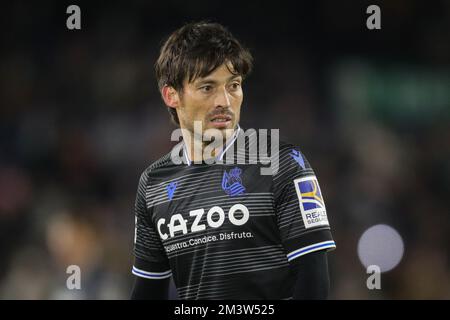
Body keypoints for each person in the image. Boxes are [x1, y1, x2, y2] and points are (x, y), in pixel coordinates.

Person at [131, 21, 336, 300]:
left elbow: (313, 284)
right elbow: (147, 292)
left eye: (234, 85)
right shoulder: (153, 183)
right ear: (172, 95)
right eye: (207, 87)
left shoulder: (283, 164)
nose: (224, 101)